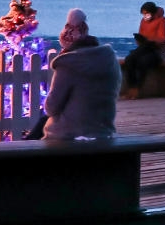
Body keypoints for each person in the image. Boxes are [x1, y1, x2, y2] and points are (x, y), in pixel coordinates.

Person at [39, 9, 118, 142]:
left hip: (69, 134)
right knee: (40, 125)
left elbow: (51, 108)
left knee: (38, 131)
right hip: (103, 131)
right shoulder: (108, 60)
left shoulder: (68, 65)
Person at [120, 1, 165, 96]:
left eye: (146, 13)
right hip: (144, 48)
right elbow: (141, 34)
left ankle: (138, 88)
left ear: (153, 12)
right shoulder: (143, 21)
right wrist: (140, 39)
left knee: (143, 62)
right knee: (129, 59)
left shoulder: (163, 21)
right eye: (143, 14)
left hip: (157, 51)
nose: (145, 16)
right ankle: (131, 87)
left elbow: (162, 39)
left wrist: (150, 41)